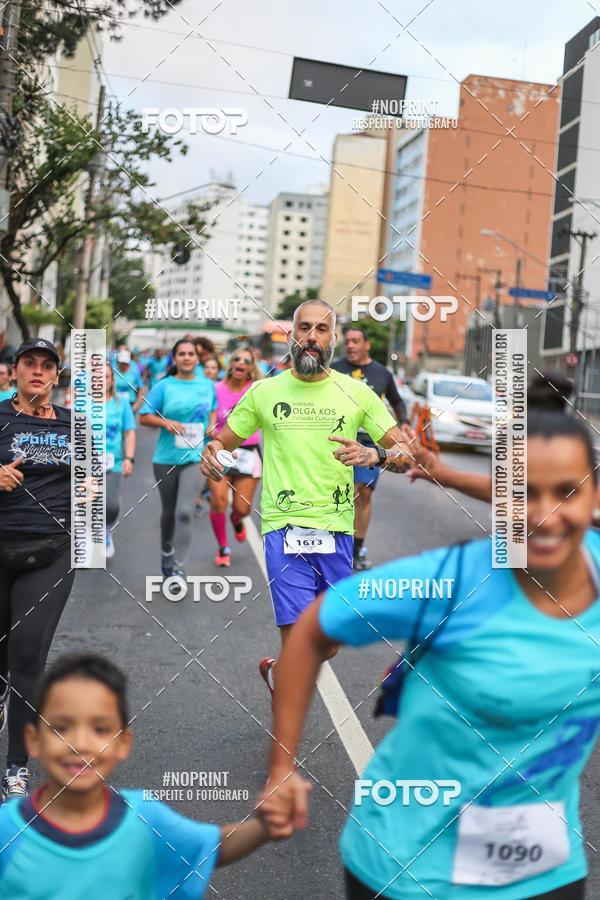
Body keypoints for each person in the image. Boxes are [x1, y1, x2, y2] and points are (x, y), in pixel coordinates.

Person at [260, 373, 600, 900]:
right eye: (522, 494)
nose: (546, 514)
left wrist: (442, 472)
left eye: (568, 493)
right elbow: (312, 626)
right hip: (409, 867)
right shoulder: (450, 580)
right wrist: (281, 770)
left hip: (542, 873)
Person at [201, 300, 417, 693]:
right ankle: (283, 751)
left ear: (332, 338)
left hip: (336, 530)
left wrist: (377, 454)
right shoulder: (265, 391)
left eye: (321, 330)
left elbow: (405, 454)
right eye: (304, 328)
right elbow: (222, 441)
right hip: (284, 528)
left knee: (329, 643)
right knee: (299, 642)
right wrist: (213, 453)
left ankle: (278, 672)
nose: (311, 338)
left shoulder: (358, 393)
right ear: (291, 335)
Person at [0, 652, 286, 898]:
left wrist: (265, 824)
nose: (80, 744)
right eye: (61, 728)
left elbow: (212, 846)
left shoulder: (145, 819)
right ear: (33, 739)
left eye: (99, 729)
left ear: (123, 743)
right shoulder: (5, 830)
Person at [0, 338, 76, 800]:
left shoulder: (76, 424)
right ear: (14, 371)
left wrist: (90, 499)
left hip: (51, 551)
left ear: (56, 376)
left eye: (47, 365)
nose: (38, 371)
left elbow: (93, 482)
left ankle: (15, 766)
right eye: (29, 362)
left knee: (27, 656)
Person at [140, 339, 217, 585]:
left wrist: (212, 425)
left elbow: (212, 410)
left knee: (185, 512)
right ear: (175, 359)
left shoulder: (207, 385)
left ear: (197, 358)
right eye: (181, 354)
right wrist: (166, 423)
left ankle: (179, 567)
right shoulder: (164, 386)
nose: (186, 357)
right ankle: (166, 552)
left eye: (190, 353)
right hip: (165, 458)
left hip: (195, 457)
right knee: (169, 512)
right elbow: (144, 416)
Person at [332, 328, 407, 570]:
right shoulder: (333, 368)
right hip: (337, 437)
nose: (350, 346)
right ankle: (331, 540)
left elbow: (397, 401)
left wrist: (404, 424)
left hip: (368, 441)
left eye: (356, 341)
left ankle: (357, 547)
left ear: (367, 345)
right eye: (347, 342)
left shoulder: (382, 373)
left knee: (362, 492)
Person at [209, 348, 263, 567]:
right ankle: (223, 547)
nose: (241, 363)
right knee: (219, 501)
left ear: (251, 367)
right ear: (230, 364)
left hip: (248, 454)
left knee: (242, 508)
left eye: (246, 361)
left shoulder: (257, 390)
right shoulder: (215, 389)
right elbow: (208, 412)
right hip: (221, 451)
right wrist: (209, 428)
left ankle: (237, 521)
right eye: (236, 359)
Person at [103, 363, 136, 560]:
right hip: (84, 463)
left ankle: (107, 530)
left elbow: (129, 431)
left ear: (112, 380)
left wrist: (129, 458)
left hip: (112, 462)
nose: (100, 381)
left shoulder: (121, 403)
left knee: (111, 506)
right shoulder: (79, 404)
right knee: (84, 505)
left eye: (105, 376)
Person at [112, 348, 144, 413]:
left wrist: (137, 404)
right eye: (122, 362)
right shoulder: (114, 371)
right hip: (116, 402)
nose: (124, 364)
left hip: (130, 403)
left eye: (126, 362)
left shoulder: (134, 371)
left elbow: (141, 388)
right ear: (118, 361)